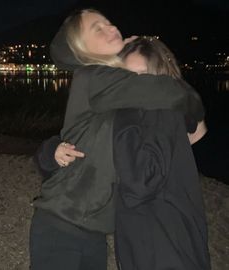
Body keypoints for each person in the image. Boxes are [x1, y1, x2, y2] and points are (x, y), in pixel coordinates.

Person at [30, 8, 205, 270]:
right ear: (80, 49)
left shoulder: (119, 92)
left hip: (96, 231)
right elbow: (164, 89)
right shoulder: (91, 77)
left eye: (109, 22)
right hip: (61, 221)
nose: (110, 28)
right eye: (97, 29)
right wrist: (194, 109)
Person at [112, 36, 211, 270]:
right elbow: (198, 132)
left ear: (159, 76)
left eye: (142, 76)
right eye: (127, 77)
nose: (135, 85)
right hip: (162, 236)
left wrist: (122, 112)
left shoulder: (160, 110)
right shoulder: (161, 110)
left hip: (163, 242)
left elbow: (140, 182)